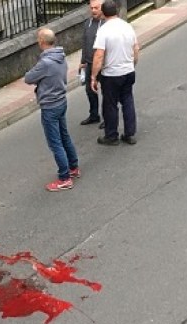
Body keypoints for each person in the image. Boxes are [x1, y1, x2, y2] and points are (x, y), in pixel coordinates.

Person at [24, 28, 80, 192]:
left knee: (55, 143)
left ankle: (64, 178)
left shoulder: (45, 63)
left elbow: (28, 78)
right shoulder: (60, 57)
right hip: (61, 101)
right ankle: (73, 167)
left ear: (41, 41)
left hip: (50, 105)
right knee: (64, 136)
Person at [91, 0, 139, 145]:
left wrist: (94, 76)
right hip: (128, 71)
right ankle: (129, 134)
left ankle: (111, 135)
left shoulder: (104, 31)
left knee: (110, 104)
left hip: (111, 74)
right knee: (128, 101)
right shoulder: (127, 26)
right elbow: (136, 49)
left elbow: (99, 56)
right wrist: (132, 64)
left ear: (103, 13)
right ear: (117, 11)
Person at [79, 0, 105, 129]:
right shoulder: (87, 24)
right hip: (89, 63)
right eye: (92, 8)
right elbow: (84, 43)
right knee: (90, 90)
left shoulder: (106, 24)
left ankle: (108, 117)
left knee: (107, 92)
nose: (93, 10)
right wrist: (82, 62)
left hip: (103, 64)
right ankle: (94, 115)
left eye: (96, 8)